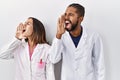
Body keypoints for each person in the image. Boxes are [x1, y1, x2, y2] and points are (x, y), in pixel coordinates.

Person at [49, 3, 105, 80]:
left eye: (70, 15)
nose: (66, 18)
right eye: (65, 14)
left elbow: (99, 64)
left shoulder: (93, 36)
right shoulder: (61, 36)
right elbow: (53, 59)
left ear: (81, 19)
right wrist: (58, 35)